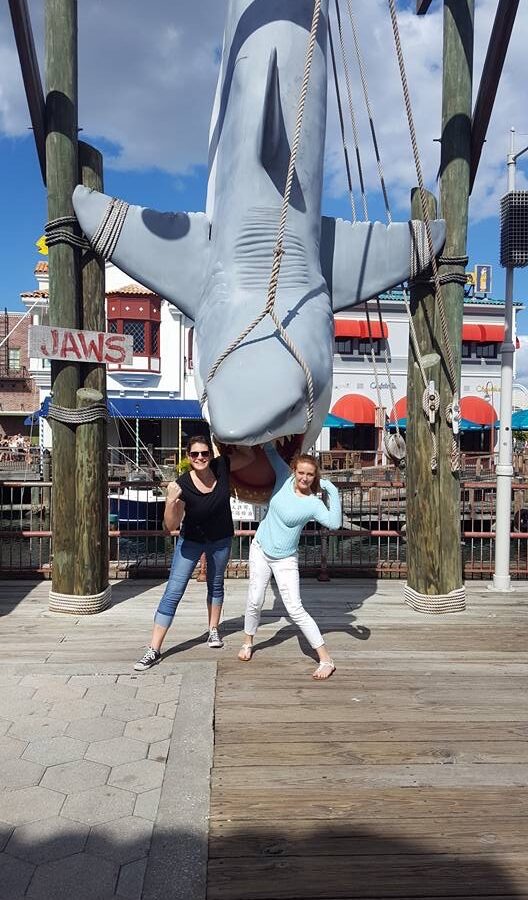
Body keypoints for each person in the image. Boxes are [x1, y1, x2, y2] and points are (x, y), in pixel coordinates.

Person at [134, 434, 253, 671]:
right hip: (191, 542)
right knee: (173, 592)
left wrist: (230, 434)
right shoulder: (182, 484)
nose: (200, 458)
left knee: (216, 584)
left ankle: (213, 631)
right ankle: (154, 649)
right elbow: (169, 527)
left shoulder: (222, 466)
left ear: (211, 454)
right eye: (195, 454)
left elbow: (248, 456)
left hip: (220, 539)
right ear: (188, 457)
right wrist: (170, 501)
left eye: (205, 453)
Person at [238, 443, 341, 679]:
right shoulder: (283, 478)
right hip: (260, 548)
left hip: (285, 558)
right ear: (294, 470)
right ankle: (247, 642)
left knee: (295, 609)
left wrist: (330, 489)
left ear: (315, 477)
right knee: (255, 599)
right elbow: (270, 449)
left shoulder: (314, 503)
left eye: (310, 474)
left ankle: (326, 659)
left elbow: (334, 523)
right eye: (301, 472)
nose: (304, 478)